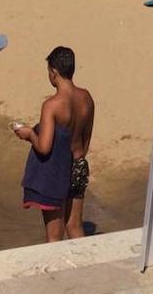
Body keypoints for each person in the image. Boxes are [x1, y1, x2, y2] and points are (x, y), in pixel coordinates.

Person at [13, 46, 95, 242]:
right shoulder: (86, 98)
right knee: (74, 226)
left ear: (54, 72)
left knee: (54, 235)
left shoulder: (52, 105)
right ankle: (87, 267)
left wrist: (29, 134)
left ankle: (56, 273)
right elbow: (86, 141)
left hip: (57, 172)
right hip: (78, 165)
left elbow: (44, 147)